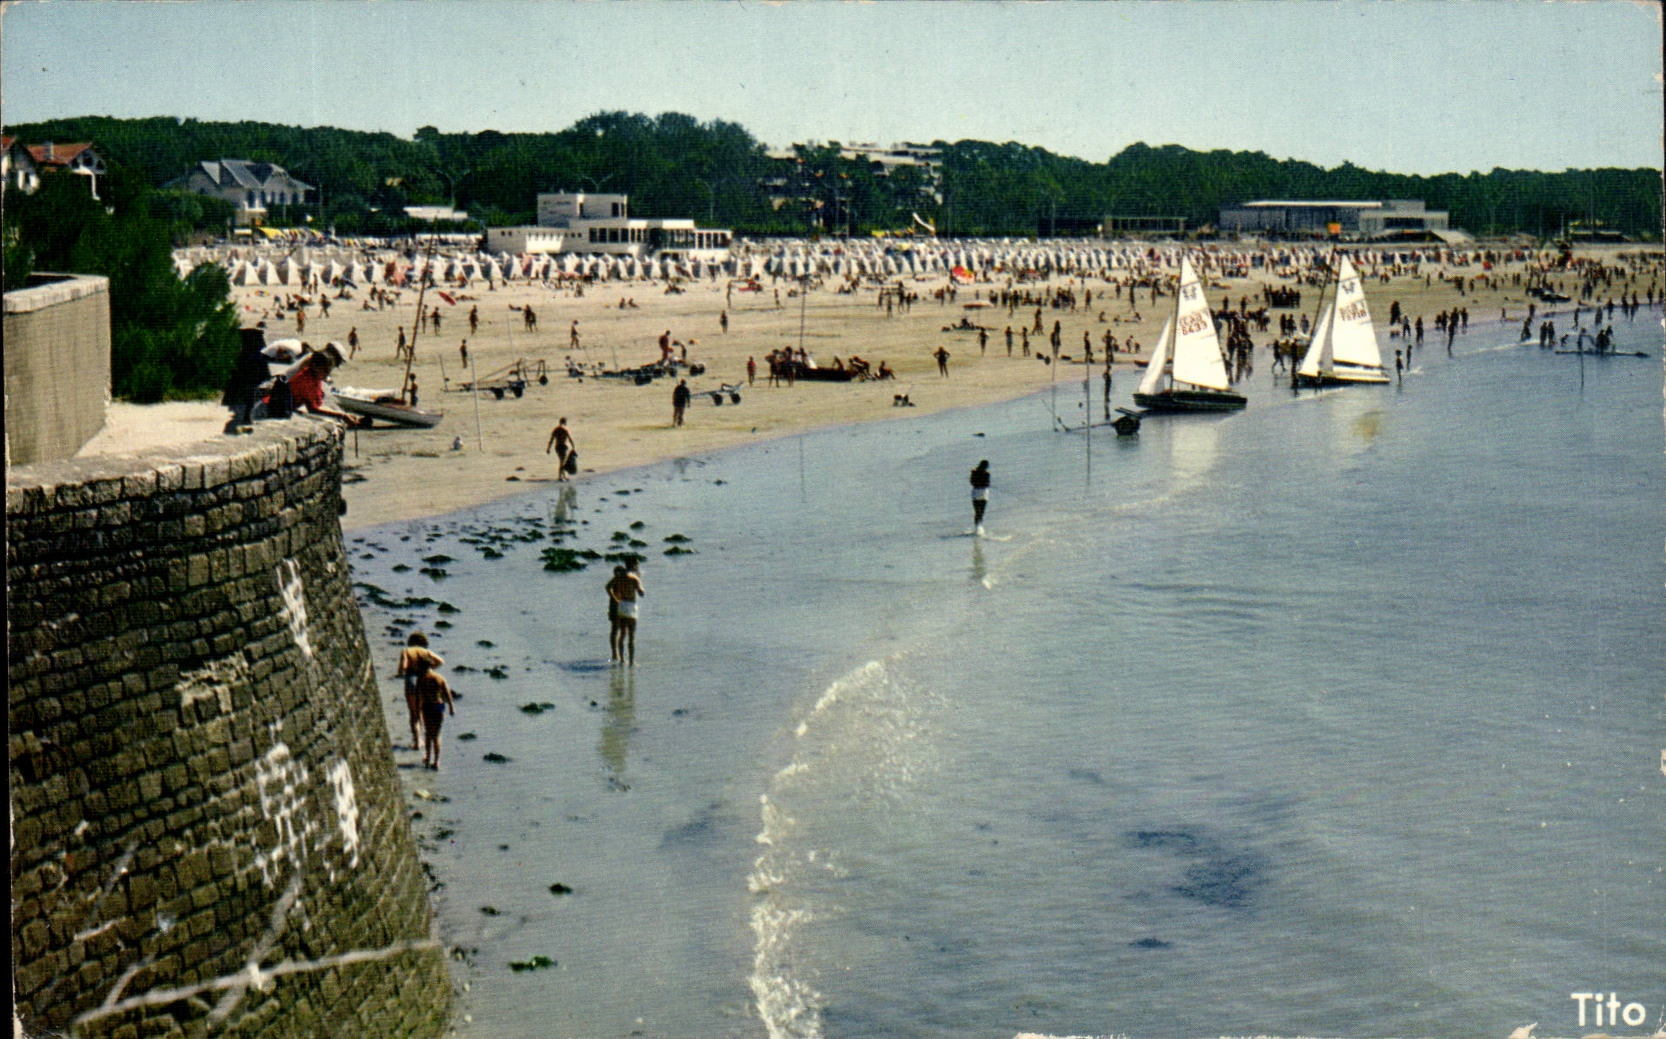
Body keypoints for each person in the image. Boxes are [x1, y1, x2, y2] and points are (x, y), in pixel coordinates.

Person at [396, 632, 444, 751]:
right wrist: (428, 669)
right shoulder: (425, 652)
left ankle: (417, 741)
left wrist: (400, 673)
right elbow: (440, 661)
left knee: (414, 714)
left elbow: (403, 667)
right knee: (423, 711)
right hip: (424, 681)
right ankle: (428, 739)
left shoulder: (406, 651)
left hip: (411, 681)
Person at [607, 560, 645, 665]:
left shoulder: (618, 577)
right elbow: (641, 593)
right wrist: (639, 582)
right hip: (631, 605)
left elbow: (608, 587)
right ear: (633, 566)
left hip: (622, 604)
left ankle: (621, 659)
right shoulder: (634, 578)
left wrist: (615, 598)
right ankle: (631, 662)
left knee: (622, 633)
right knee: (631, 635)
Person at [416, 669, 456, 769]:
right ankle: (436, 761)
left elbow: (417, 697)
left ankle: (428, 758)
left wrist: (418, 712)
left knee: (428, 733)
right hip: (438, 706)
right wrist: (451, 707)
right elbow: (447, 693)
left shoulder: (421, 679)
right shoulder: (439, 677)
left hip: (427, 706)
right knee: (436, 734)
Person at [969, 459, 991, 535]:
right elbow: (987, 484)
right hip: (984, 493)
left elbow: (972, 482)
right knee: (981, 511)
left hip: (975, 493)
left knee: (977, 511)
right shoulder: (987, 474)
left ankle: (976, 528)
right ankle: (979, 527)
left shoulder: (974, 472)